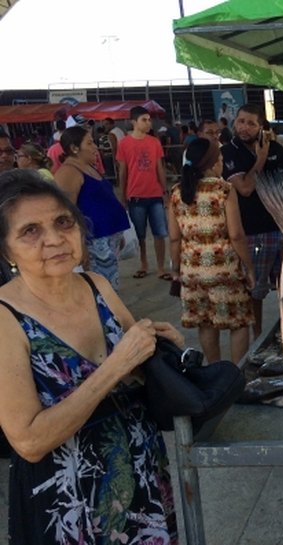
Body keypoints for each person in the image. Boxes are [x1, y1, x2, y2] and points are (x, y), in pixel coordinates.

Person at [0, 170, 180, 543]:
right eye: (30, 231)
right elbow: (29, 442)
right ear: (6, 250)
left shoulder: (95, 285)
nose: (54, 239)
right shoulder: (6, 318)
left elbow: (140, 368)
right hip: (71, 503)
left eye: (63, 222)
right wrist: (116, 366)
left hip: (143, 475)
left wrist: (161, 348)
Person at [168, 138, 255, 364]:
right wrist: (250, 267)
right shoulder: (224, 189)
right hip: (224, 269)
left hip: (192, 271)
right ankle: (236, 374)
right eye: (221, 158)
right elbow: (236, 234)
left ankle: (215, 371)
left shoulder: (177, 192)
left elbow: (174, 238)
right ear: (213, 162)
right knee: (238, 322)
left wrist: (177, 269)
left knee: (206, 323)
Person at [221, 103, 283, 339]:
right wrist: (261, 159)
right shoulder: (229, 152)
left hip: (281, 227)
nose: (244, 127)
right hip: (253, 232)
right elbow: (244, 188)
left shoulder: (273, 146)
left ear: (261, 127)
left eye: (251, 123)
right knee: (255, 289)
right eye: (241, 121)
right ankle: (258, 336)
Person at [54, 125, 130, 291]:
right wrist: (79, 244)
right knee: (102, 288)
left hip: (108, 236)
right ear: (74, 148)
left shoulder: (87, 167)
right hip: (94, 240)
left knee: (111, 282)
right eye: (89, 143)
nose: (95, 147)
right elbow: (65, 214)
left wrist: (118, 233)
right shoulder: (69, 172)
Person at [117, 106, 171, 280]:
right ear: (134, 122)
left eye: (149, 120)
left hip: (154, 194)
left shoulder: (154, 142)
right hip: (135, 195)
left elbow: (159, 168)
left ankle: (161, 267)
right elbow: (122, 171)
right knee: (140, 234)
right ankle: (144, 264)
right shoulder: (124, 143)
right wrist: (122, 194)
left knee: (160, 233)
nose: (148, 123)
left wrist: (165, 192)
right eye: (144, 120)